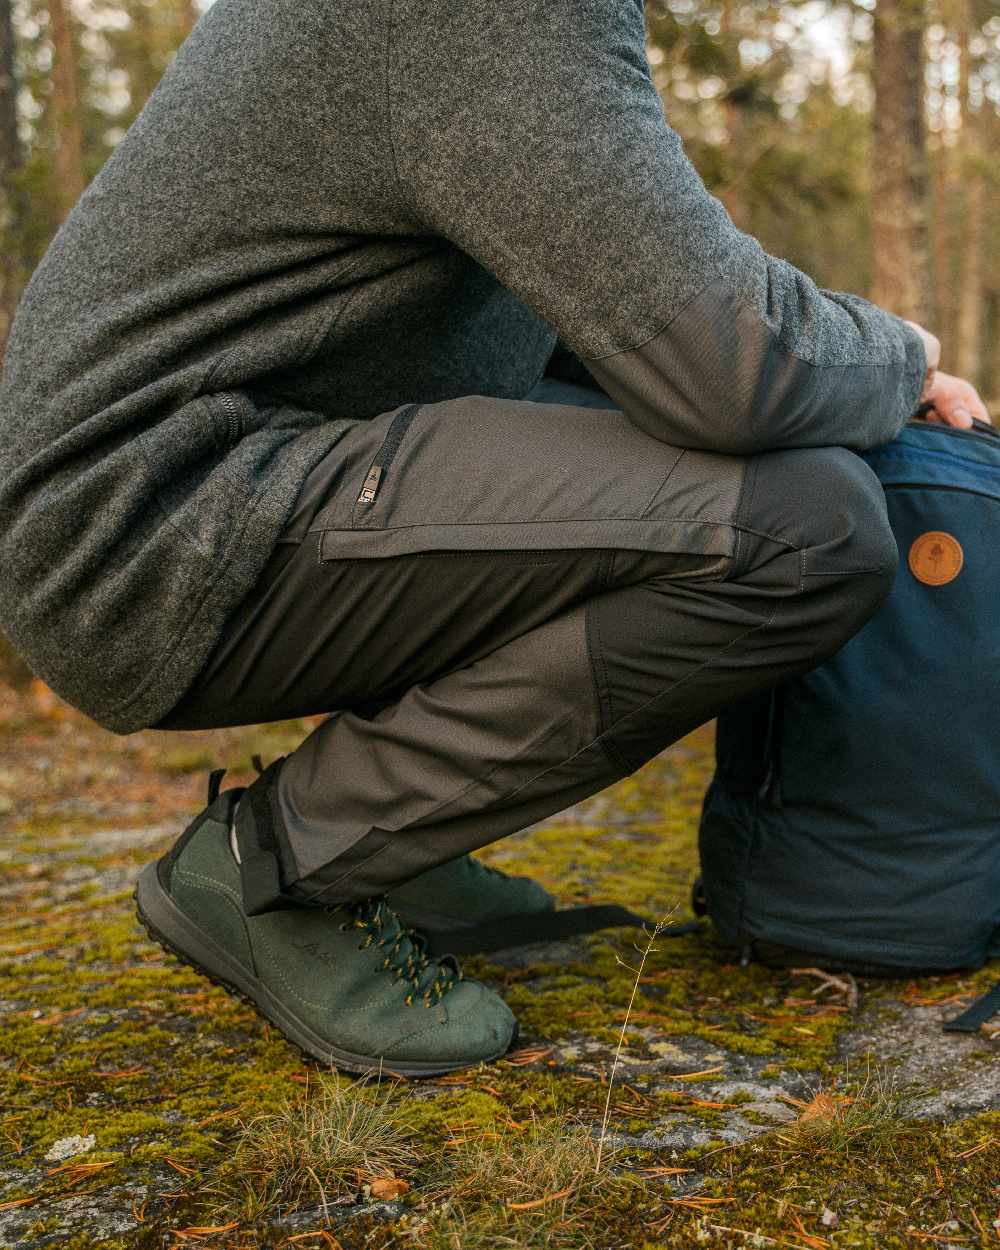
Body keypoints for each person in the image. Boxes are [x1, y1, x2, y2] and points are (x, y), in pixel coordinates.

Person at [0, 0, 989, 1078]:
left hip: (224, 473)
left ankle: (401, 841)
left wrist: (836, 372)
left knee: (734, 471)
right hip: (145, 524)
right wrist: (901, 354)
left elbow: (624, 307)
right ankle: (279, 862)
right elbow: (725, 363)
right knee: (801, 527)